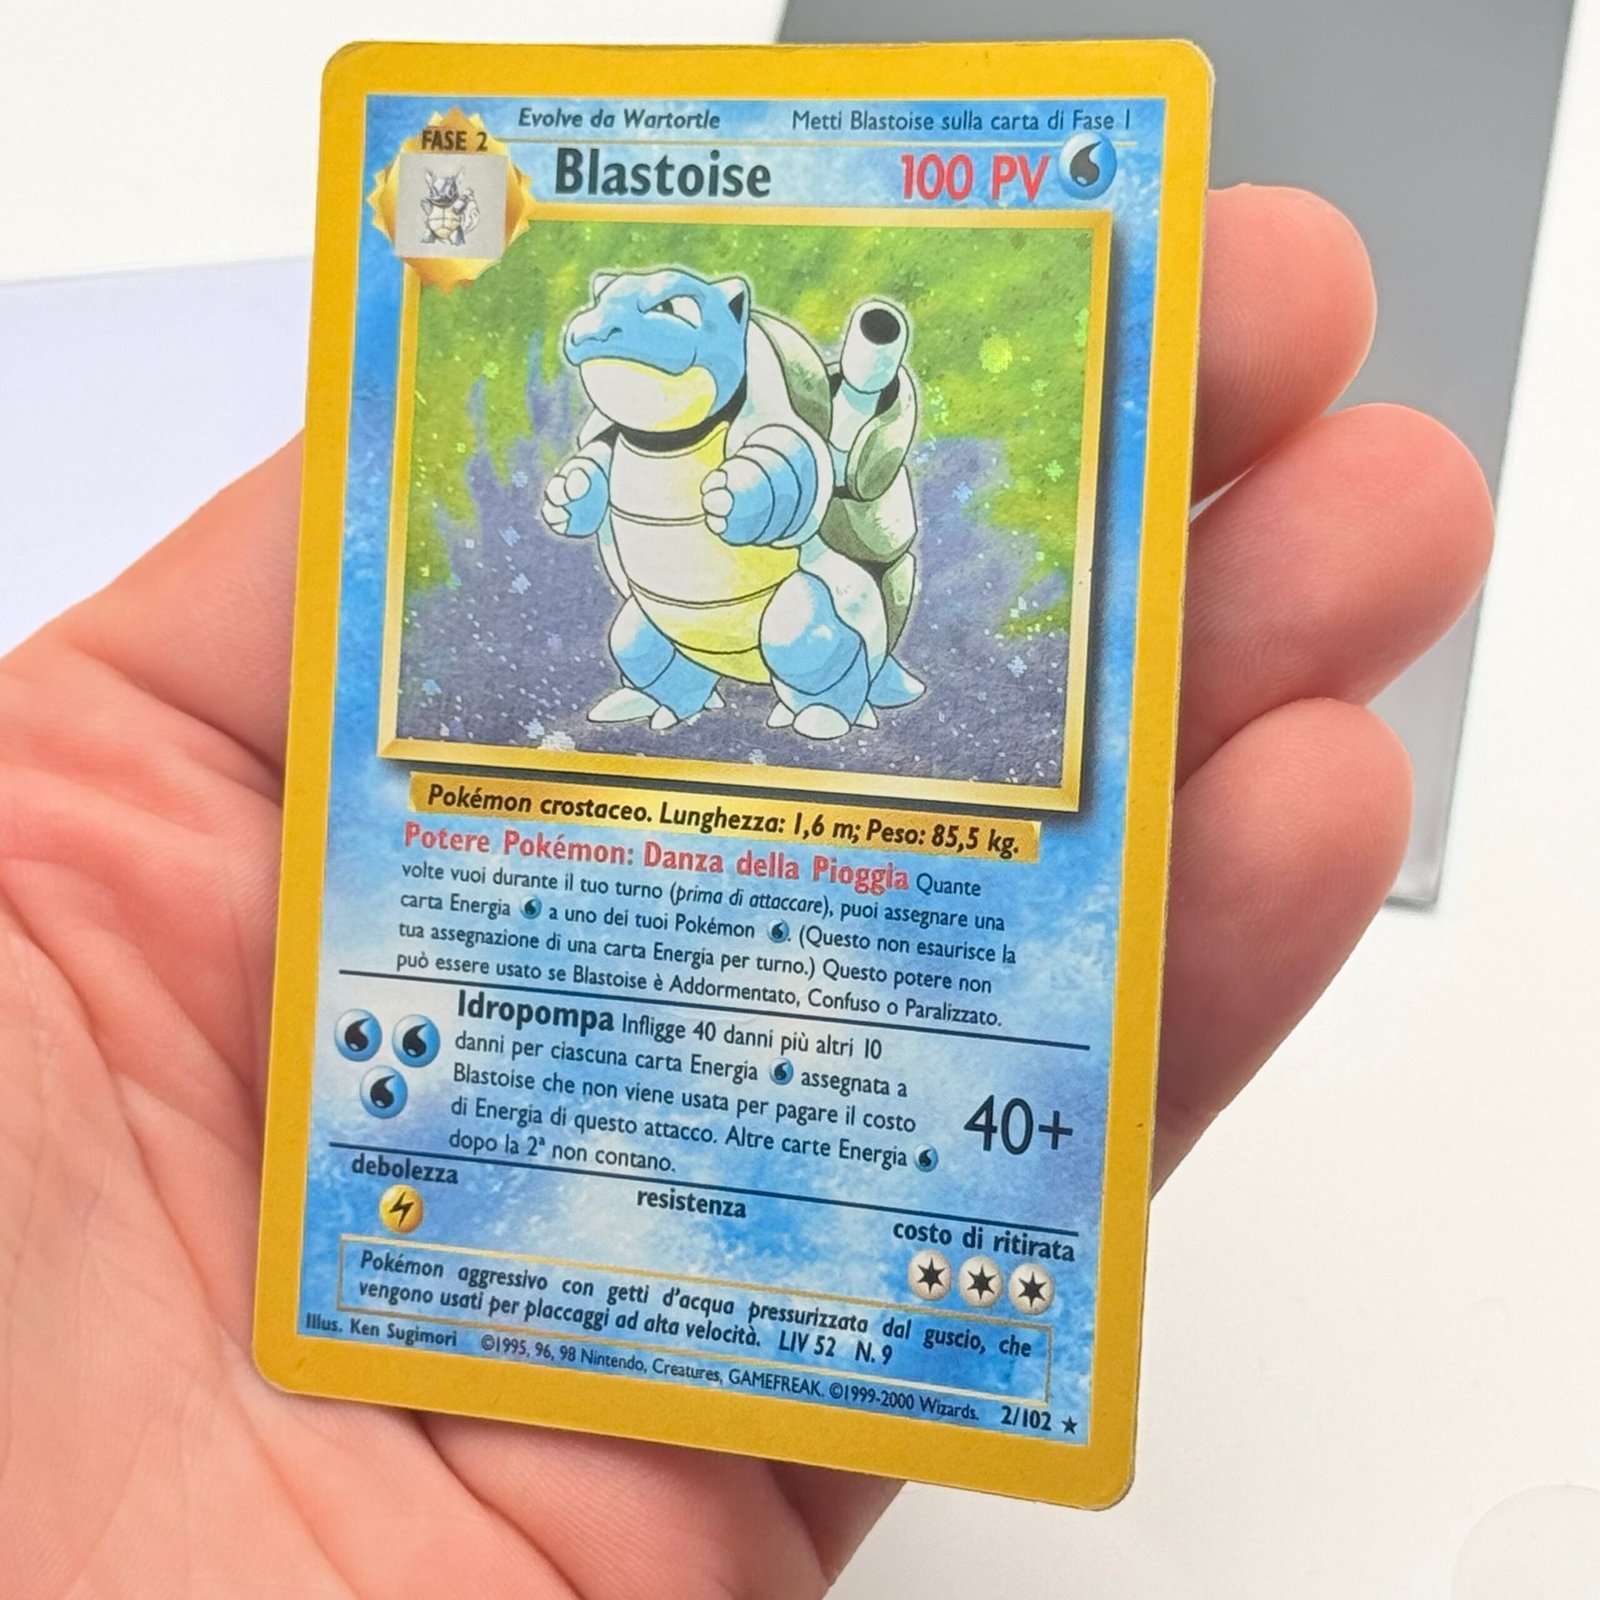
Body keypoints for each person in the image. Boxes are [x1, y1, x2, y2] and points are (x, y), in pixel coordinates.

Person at [0, 185, 1493, 1597]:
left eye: (656, 319)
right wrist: (589, 487)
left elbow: (805, 496)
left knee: (813, 634)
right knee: (637, 649)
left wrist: (772, 493)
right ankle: (670, 693)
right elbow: (598, 506)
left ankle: (832, 695)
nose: (619, 338)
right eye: (608, 326)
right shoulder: (623, 419)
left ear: (722, 320)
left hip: (783, 619)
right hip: (670, 641)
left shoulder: (773, 412)